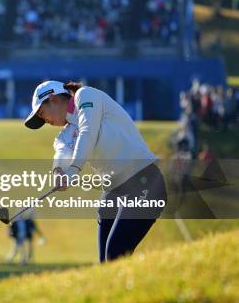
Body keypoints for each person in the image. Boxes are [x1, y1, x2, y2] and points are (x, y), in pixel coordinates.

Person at [24, 80, 167, 263]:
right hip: (114, 189)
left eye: (43, 114)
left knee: (115, 254)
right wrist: (58, 171)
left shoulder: (86, 96)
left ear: (52, 99)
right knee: (105, 264)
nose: (46, 121)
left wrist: (74, 169)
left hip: (145, 181)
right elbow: (61, 150)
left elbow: (87, 131)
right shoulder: (66, 133)